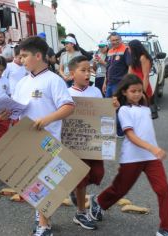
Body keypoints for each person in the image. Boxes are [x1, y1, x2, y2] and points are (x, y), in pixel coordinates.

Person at [0, 36, 75, 236]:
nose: (21, 60)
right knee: (31, 179)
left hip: (48, 139)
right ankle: (42, 214)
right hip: (26, 137)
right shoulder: (23, 82)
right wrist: (7, 112)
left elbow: (68, 107)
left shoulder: (53, 80)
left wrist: (47, 119)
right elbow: (17, 108)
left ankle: (44, 225)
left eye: (25, 56)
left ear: (38, 56)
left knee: (44, 181)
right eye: (20, 56)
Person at [89, 74, 168, 236]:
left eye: (140, 91)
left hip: (151, 159)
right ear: (125, 92)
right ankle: (99, 202)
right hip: (132, 158)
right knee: (119, 190)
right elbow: (131, 136)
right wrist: (153, 148)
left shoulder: (146, 109)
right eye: (133, 91)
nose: (137, 94)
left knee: (163, 190)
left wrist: (152, 151)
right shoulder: (123, 110)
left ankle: (166, 229)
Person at [67, 56, 104, 230]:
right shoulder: (67, 94)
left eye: (89, 70)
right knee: (81, 177)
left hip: (94, 142)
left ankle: (76, 190)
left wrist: (113, 106)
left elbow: (104, 115)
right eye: (83, 70)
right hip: (75, 144)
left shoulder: (96, 91)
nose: (87, 73)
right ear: (72, 74)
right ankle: (81, 212)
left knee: (97, 174)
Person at [103, 32, 130, 98]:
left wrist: (127, 83)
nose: (115, 42)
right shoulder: (109, 51)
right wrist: (104, 83)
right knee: (107, 104)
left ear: (120, 40)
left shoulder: (125, 50)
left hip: (119, 83)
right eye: (113, 40)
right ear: (110, 41)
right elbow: (108, 68)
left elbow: (130, 67)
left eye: (117, 40)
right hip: (109, 83)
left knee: (117, 105)